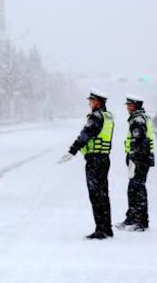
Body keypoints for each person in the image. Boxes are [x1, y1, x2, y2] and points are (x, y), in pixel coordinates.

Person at [58, 89, 115, 239]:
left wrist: (72, 151)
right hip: (103, 158)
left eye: (91, 100)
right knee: (103, 195)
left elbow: (85, 135)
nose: (89, 103)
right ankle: (106, 228)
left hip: (94, 160)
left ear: (97, 101)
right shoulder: (108, 116)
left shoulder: (95, 117)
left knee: (96, 195)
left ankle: (101, 230)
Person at [116, 95, 155, 232]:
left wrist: (133, 159)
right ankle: (133, 219)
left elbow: (139, 142)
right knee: (135, 189)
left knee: (137, 190)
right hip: (142, 158)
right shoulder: (142, 118)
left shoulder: (138, 120)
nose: (127, 107)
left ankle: (140, 222)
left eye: (128, 105)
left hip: (139, 159)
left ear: (133, 106)